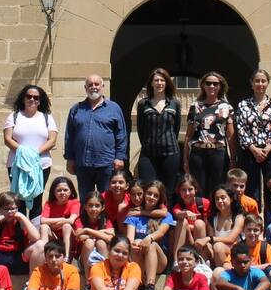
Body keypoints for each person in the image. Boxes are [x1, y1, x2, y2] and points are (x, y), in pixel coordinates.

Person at [64, 74, 128, 199]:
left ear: (102, 86)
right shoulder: (76, 109)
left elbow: (121, 134)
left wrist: (119, 157)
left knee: (106, 199)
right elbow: (69, 136)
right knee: (85, 200)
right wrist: (69, 158)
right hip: (82, 164)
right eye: (90, 84)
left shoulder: (114, 108)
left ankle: (105, 220)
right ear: (85, 88)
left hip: (106, 164)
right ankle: (86, 219)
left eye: (96, 84)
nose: (93, 87)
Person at [3, 83, 57, 220]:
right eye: (29, 96)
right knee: (17, 199)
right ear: (23, 98)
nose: (32, 99)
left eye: (36, 97)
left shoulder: (47, 118)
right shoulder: (14, 116)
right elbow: (7, 139)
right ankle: (20, 235)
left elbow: (52, 140)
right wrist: (23, 151)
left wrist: (34, 153)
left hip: (41, 164)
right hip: (17, 165)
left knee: (37, 199)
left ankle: (34, 235)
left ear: (40, 100)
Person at [234, 69, 271, 202]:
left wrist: (267, 149)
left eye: (263, 81)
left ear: (268, 83)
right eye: (257, 81)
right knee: (251, 189)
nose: (260, 84)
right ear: (251, 83)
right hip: (250, 152)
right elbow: (241, 129)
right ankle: (252, 220)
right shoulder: (243, 105)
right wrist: (254, 150)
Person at [183, 71, 236, 201]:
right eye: (208, 83)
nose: (212, 86)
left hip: (218, 153)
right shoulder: (195, 106)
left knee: (218, 189)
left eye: (215, 84)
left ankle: (215, 219)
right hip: (198, 153)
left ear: (220, 86)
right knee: (199, 189)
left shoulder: (226, 107)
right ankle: (201, 218)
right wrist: (185, 159)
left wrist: (233, 159)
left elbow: (230, 136)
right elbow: (188, 136)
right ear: (203, 86)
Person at [135, 67, 183, 196]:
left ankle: (167, 215)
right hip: (148, 154)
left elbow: (176, 128)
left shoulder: (174, 103)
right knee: (147, 188)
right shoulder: (143, 104)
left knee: (168, 190)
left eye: (162, 80)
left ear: (167, 83)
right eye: (156, 80)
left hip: (170, 153)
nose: (159, 83)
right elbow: (140, 129)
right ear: (151, 83)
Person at [0, 190, 42, 282]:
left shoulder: (21, 222)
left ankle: (32, 283)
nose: (10, 212)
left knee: (40, 245)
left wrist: (22, 217)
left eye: (13, 208)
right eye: (6, 209)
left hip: (18, 256)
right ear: (0, 209)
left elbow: (36, 237)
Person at [74, 191, 114, 288]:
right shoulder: (80, 220)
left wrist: (87, 230)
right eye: (90, 205)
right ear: (85, 207)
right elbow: (80, 236)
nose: (93, 209)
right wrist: (102, 233)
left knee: (101, 243)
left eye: (97, 206)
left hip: (101, 254)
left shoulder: (106, 220)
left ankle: (106, 278)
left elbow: (111, 238)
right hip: (84, 259)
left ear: (102, 207)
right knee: (89, 242)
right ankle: (89, 283)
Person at [201, 184, 244, 269]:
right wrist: (208, 244)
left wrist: (210, 238)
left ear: (231, 199)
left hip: (236, 254)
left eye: (223, 198)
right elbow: (212, 242)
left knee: (218, 246)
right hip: (217, 253)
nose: (220, 201)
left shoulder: (239, 217)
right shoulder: (212, 219)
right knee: (207, 246)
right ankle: (203, 269)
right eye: (217, 199)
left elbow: (231, 239)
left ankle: (224, 277)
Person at [170, 174, 211, 259]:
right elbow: (178, 214)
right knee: (182, 221)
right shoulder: (178, 206)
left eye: (190, 189)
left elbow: (207, 226)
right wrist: (186, 213)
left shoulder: (204, 203)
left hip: (201, 240)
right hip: (186, 241)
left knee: (199, 223)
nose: (187, 193)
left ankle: (201, 260)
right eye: (183, 190)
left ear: (195, 189)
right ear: (179, 192)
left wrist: (191, 227)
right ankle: (176, 260)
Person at [39, 176, 79, 260]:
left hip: (70, 237)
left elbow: (71, 221)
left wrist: (53, 224)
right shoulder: (49, 204)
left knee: (67, 226)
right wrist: (63, 219)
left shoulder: (75, 203)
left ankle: (66, 257)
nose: (62, 192)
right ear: (54, 192)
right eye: (58, 190)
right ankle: (44, 255)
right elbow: (43, 221)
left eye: (65, 190)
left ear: (71, 191)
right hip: (55, 237)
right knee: (44, 227)